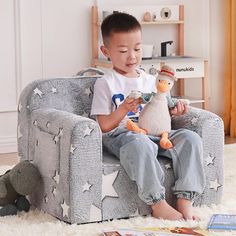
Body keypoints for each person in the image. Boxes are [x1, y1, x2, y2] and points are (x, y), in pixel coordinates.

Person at [91, 12, 205, 221]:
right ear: (106, 51)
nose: (132, 56)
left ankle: (185, 199)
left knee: (191, 138)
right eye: (123, 51)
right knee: (140, 142)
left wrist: (174, 111)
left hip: (157, 134)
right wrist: (125, 108)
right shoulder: (105, 83)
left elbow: (162, 110)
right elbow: (103, 126)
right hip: (125, 136)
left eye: (137, 49)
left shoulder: (152, 80)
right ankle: (157, 202)